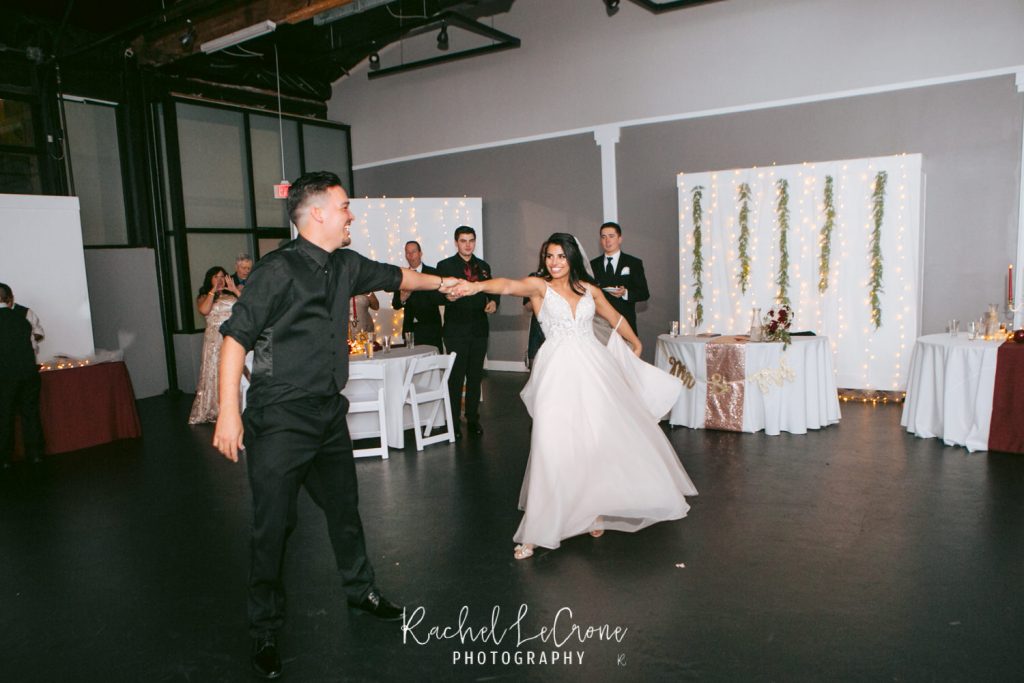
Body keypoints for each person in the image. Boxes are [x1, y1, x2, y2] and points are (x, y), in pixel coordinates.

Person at [213, 171, 464, 680]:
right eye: (345, 206)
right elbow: (235, 338)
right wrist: (228, 412)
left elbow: (399, 277)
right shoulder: (276, 270)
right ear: (317, 213)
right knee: (273, 526)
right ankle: (264, 627)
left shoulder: (346, 264)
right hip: (280, 418)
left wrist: (444, 283)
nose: (351, 214)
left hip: (328, 413)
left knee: (345, 510)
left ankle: (360, 590)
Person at [450, 234, 697, 560]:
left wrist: (635, 342)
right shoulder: (540, 287)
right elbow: (508, 285)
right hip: (556, 372)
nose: (554, 262)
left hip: (593, 370)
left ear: (572, 258)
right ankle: (538, 530)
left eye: (560, 256)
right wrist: (476, 287)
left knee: (592, 442)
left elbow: (615, 317)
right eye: (549, 256)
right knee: (550, 445)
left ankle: (593, 511)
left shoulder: (589, 290)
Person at [437, 226, 498, 438]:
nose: (468, 245)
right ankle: (453, 423)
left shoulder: (483, 266)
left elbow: (492, 289)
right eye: (463, 241)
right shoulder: (445, 266)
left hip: (479, 329)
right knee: (456, 378)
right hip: (456, 331)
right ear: (456, 243)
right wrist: (446, 297)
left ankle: (472, 419)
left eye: (471, 240)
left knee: (475, 377)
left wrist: (494, 302)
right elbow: (434, 293)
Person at [189, 266, 240, 424]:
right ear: (210, 279)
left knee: (233, 368)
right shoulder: (204, 296)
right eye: (216, 277)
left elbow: (249, 305)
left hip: (232, 334)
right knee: (214, 369)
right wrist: (212, 291)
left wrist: (234, 290)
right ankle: (215, 408)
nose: (219, 280)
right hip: (214, 338)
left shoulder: (231, 294)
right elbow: (204, 310)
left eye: (222, 276)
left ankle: (236, 407)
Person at [0, 282, 44, 469]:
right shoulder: (22, 319)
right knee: (30, 414)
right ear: (9, 299)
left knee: (5, 416)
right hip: (28, 373)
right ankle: (35, 455)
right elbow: (33, 344)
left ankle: (4, 459)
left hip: (5, 376)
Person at [590, 221, 650, 336]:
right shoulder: (592, 265)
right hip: (600, 326)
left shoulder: (633, 263)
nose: (607, 240)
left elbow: (644, 294)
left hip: (625, 324)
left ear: (620, 239)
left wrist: (625, 293)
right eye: (603, 237)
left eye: (611, 236)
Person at [391, 240, 444, 351]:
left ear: (420, 253)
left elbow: (440, 298)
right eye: (408, 252)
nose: (410, 255)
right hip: (410, 331)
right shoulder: (402, 275)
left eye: (413, 252)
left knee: (434, 360)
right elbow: (395, 304)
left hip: (432, 329)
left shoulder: (433, 273)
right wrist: (402, 299)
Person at [3, 285, 45, 360]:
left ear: (12, 298)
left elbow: (39, 333)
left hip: (24, 354)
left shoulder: (26, 312)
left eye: (7, 301)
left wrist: (26, 339)